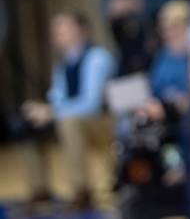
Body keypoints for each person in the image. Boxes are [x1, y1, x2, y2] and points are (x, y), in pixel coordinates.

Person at [21, 11, 118, 210]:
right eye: (55, 29)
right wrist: (42, 110)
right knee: (26, 122)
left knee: (69, 123)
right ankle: (39, 189)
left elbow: (92, 104)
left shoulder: (97, 58)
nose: (57, 33)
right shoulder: (62, 63)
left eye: (63, 28)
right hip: (78, 120)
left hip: (107, 122)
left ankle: (81, 190)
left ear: (81, 30)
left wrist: (53, 112)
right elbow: (58, 97)